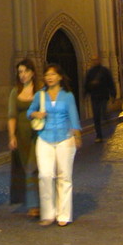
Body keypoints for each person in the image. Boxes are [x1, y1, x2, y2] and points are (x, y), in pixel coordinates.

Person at [28, 63, 82, 227]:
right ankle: (48, 213)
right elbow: (29, 111)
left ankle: (63, 214)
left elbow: (73, 116)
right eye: (47, 75)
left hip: (65, 137)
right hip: (44, 137)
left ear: (59, 77)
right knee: (45, 175)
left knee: (64, 176)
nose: (49, 77)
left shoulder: (67, 95)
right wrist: (35, 113)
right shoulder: (40, 95)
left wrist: (77, 135)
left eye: (52, 74)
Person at [7, 58, 40, 216]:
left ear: (32, 73)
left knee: (33, 167)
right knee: (28, 167)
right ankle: (36, 203)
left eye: (26, 71)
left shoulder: (40, 91)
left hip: (37, 134)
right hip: (21, 135)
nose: (23, 75)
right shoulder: (15, 91)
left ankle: (35, 204)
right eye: (20, 72)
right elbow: (12, 115)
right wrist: (12, 136)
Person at [83, 55, 116, 142]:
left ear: (99, 60)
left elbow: (110, 82)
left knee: (103, 113)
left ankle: (107, 126)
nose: (94, 61)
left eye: (96, 59)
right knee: (96, 116)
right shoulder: (90, 72)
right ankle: (99, 135)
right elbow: (86, 84)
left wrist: (113, 95)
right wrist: (85, 94)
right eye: (93, 60)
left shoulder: (104, 71)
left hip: (104, 96)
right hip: (94, 97)